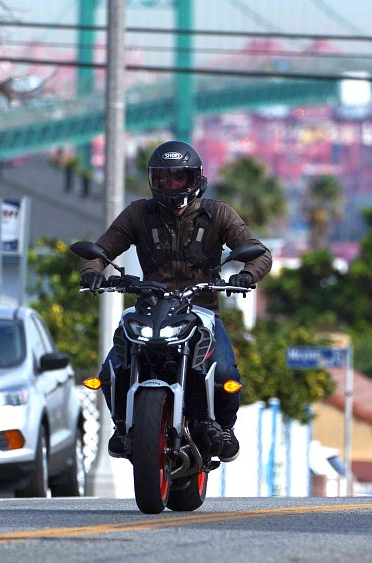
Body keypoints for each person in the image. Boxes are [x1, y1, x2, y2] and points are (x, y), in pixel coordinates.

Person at [78, 140, 272, 462]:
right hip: (149, 307)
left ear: (194, 178)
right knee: (110, 371)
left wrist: (247, 276)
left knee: (225, 375)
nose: (170, 185)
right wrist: (92, 272)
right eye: (163, 178)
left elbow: (260, 252)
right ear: (153, 180)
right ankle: (121, 424)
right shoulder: (138, 213)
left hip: (202, 310)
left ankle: (224, 427)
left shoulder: (219, 213)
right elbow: (99, 252)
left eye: (178, 178)